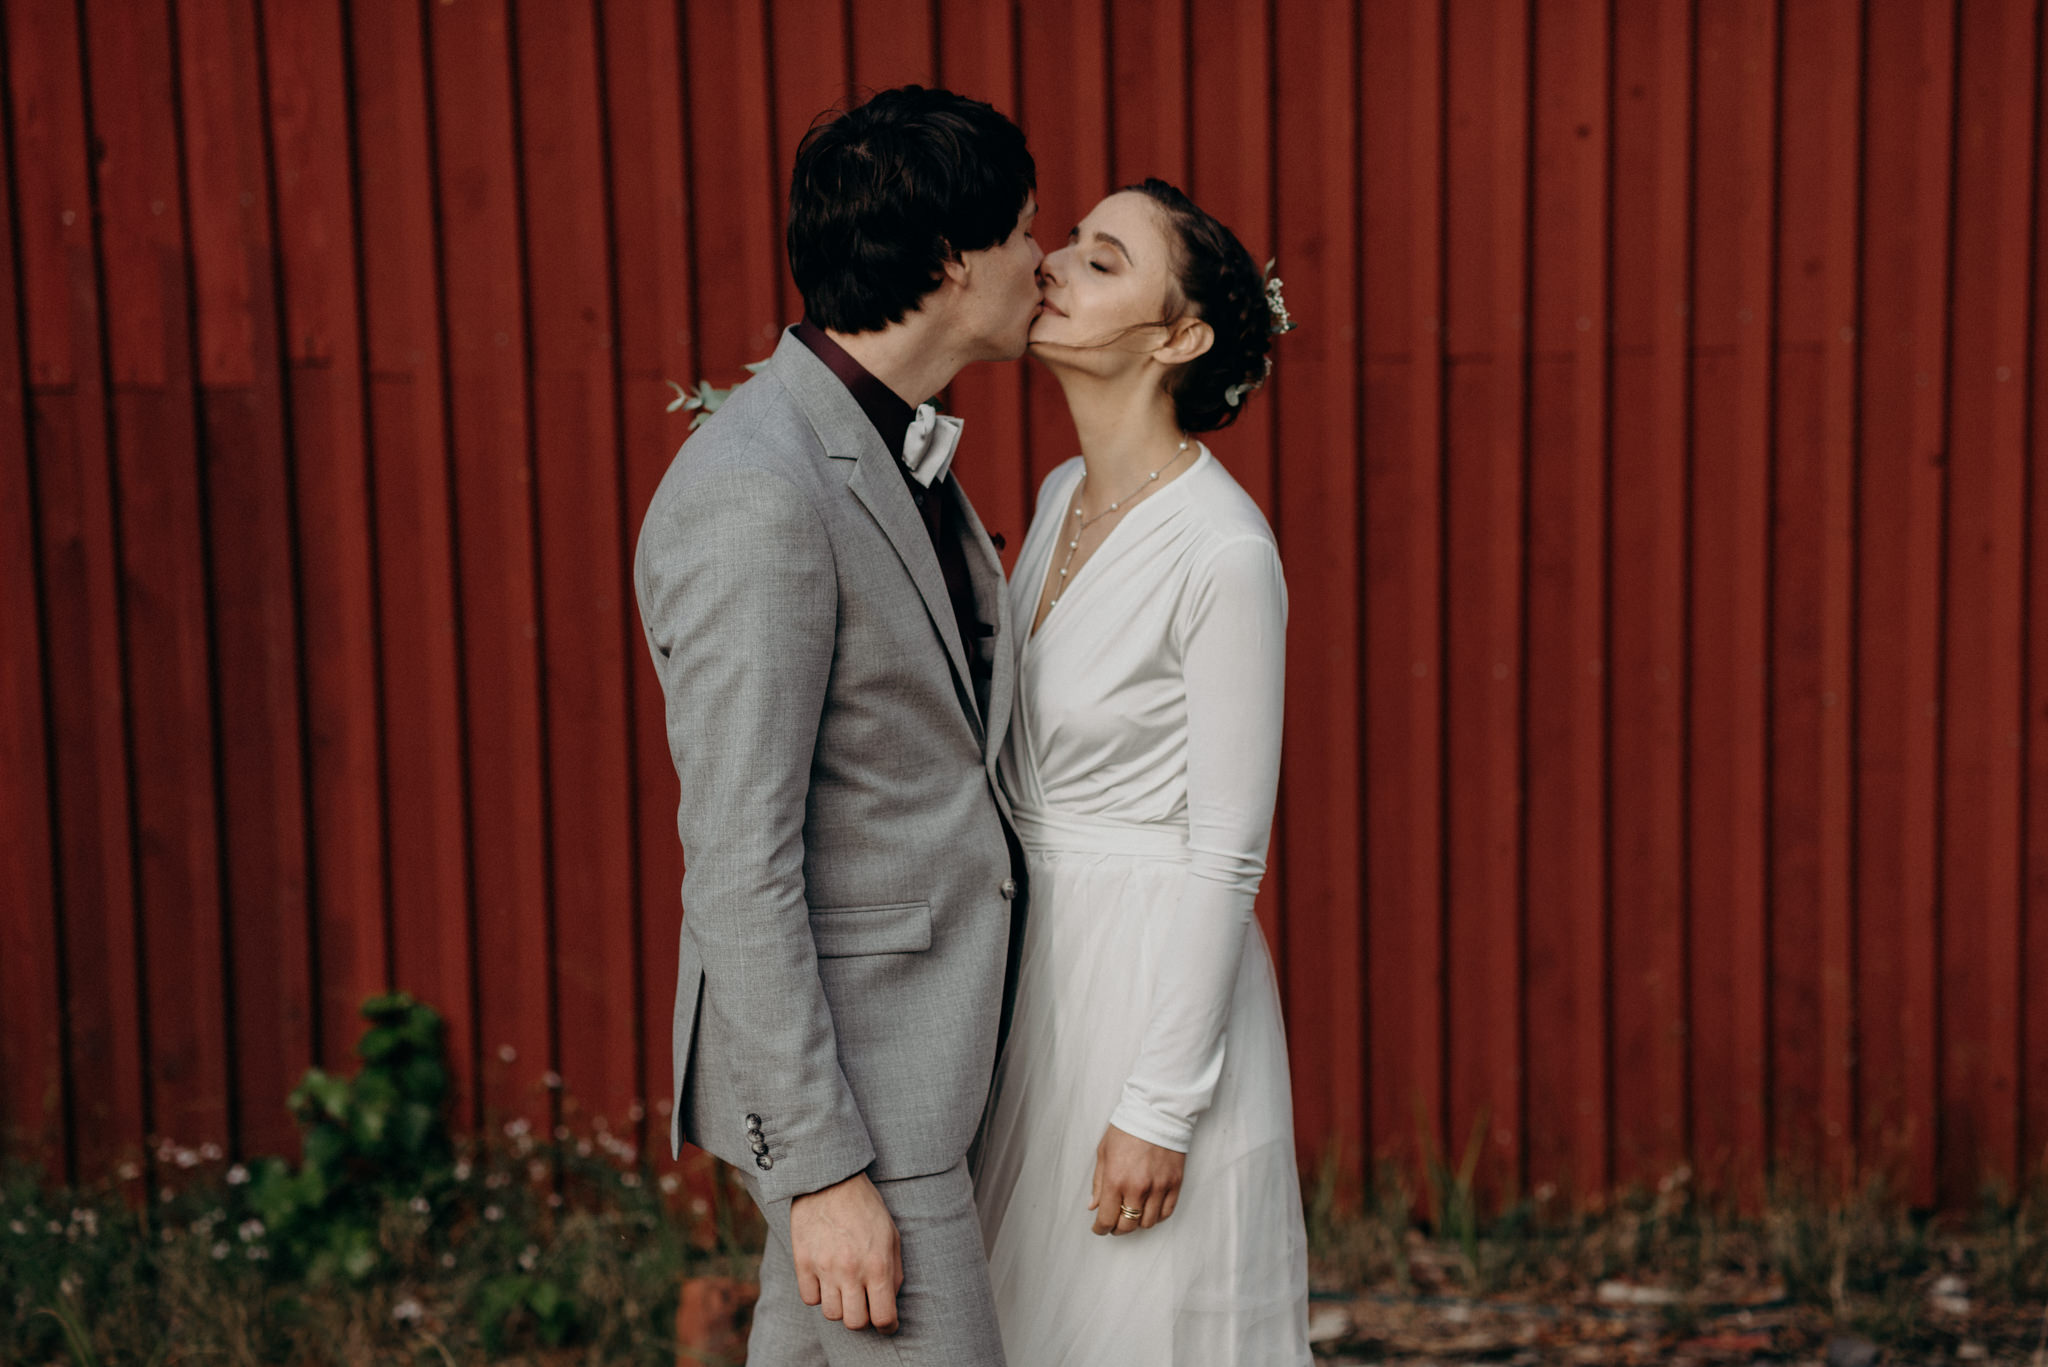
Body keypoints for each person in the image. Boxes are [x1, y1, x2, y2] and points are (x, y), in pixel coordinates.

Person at [633, 86, 1042, 1365]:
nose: (1045, 254)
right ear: (948, 262)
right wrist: (820, 1172)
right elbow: (738, 859)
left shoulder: (873, 445)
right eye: (1026, 230)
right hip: (867, 1094)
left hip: (923, 1055)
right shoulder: (759, 490)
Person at [972, 179, 1311, 1366]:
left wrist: (1158, 1105)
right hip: (1035, 977)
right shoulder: (1064, 493)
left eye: (1102, 258)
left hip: (1143, 987)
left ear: (1179, 338)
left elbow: (1226, 849)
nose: (1054, 264)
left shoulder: (1222, 551)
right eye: (1064, 240)